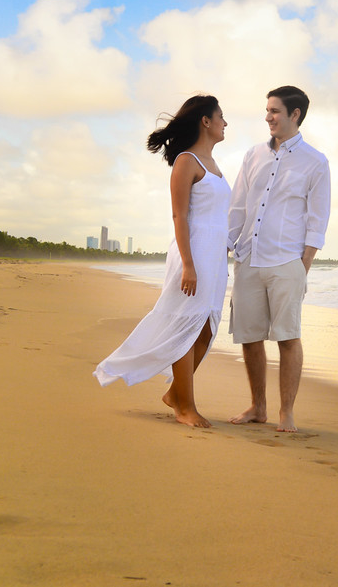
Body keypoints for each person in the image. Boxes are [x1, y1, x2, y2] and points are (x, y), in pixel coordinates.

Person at [94, 95, 230, 429]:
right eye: (221, 117)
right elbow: (179, 215)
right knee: (186, 324)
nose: (226, 123)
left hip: (215, 258)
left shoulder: (214, 164)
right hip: (193, 253)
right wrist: (188, 264)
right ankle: (186, 407)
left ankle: (174, 392)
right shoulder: (187, 161)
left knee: (205, 328)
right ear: (206, 121)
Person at [227, 85, 330, 432]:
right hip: (249, 258)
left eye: (274, 111)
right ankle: (258, 407)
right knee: (250, 336)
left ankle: (287, 412)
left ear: (294, 115)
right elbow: (238, 206)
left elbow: (318, 221)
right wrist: (226, 248)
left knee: (287, 336)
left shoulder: (316, 162)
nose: (268, 117)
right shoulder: (253, 155)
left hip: (287, 261)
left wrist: (302, 267)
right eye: (267, 110)